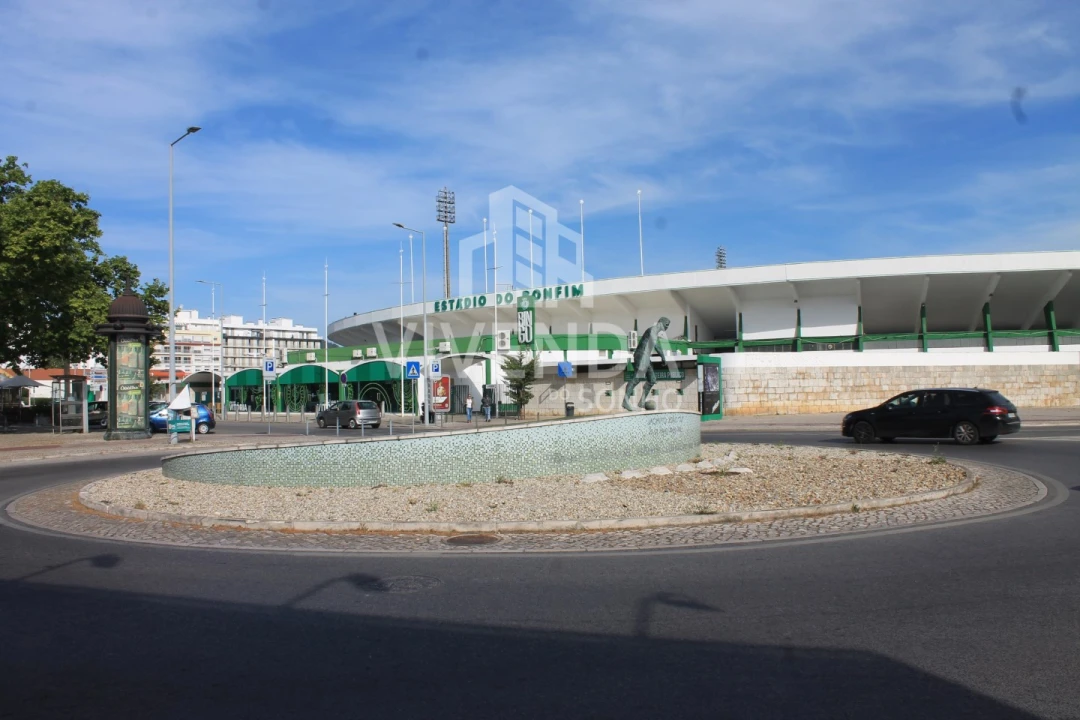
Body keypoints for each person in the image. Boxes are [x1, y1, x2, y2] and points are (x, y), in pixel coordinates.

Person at [623, 316, 671, 412]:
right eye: (666, 325)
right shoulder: (652, 329)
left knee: (652, 379)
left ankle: (642, 401)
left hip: (646, 357)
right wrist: (663, 356)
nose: (667, 327)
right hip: (641, 355)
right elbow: (655, 344)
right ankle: (625, 401)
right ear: (660, 322)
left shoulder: (655, 332)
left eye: (668, 326)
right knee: (636, 378)